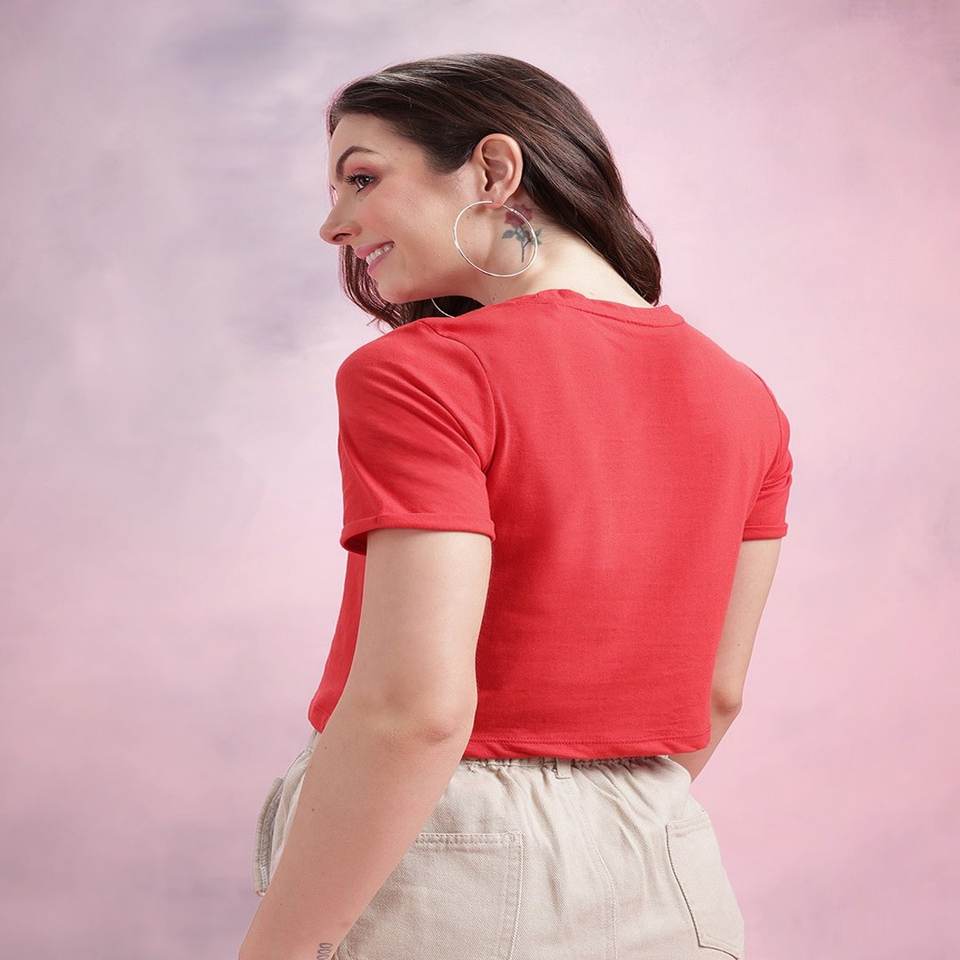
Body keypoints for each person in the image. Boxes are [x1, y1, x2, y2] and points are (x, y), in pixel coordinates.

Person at [242, 53, 793, 960]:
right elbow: (717, 694)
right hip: (665, 859)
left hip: (448, 863)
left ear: (494, 170)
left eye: (362, 178)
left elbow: (414, 709)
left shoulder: (427, 372)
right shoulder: (747, 399)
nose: (333, 224)